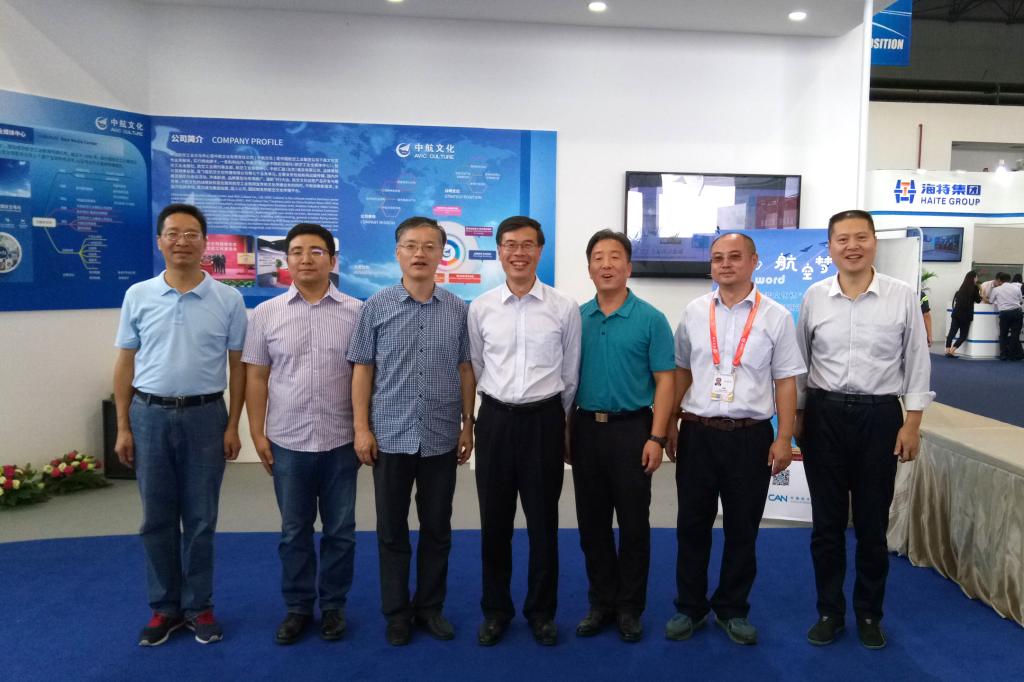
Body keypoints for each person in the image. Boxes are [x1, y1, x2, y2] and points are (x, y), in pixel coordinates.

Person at [795, 209, 933, 650]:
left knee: (872, 524)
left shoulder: (901, 295)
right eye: (842, 239)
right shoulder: (815, 296)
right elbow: (801, 363)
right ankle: (829, 612)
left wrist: (912, 422)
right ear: (830, 247)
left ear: (874, 242)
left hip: (880, 418)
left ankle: (870, 614)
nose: (851, 246)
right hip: (825, 415)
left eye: (860, 237)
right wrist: (797, 416)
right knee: (827, 524)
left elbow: (917, 360)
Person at [113, 203, 247, 646]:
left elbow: (239, 367)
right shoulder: (139, 295)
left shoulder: (228, 299)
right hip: (148, 416)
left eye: (191, 234)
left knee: (201, 518)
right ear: (160, 241)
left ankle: (199, 606)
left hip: (206, 417)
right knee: (156, 518)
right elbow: (125, 363)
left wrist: (234, 425)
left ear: (205, 243)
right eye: (173, 233)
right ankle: (164, 608)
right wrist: (123, 427)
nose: (182, 241)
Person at [664, 232, 805, 646]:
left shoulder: (776, 316)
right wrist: (671, 421)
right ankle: (690, 607)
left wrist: (784, 438)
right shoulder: (694, 312)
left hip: (750, 437)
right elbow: (681, 370)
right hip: (698, 433)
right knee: (692, 525)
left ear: (754, 261)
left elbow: (785, 381)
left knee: (743, 528)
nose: (725, 264)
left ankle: (732, 609)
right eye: (717, 258)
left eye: (734, 257)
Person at [347, 216, 475, 646]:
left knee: (438, 529)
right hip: (390, 435)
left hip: (441, 436)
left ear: (443, 254)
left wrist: (468, 425)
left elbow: (465, 369)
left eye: (429, 246)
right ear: (397, 252)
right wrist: (361, 428)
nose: (420, 253)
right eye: (410, 245)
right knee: (391, 530)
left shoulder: (458, 309)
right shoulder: (375, 306)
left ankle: (430, 608)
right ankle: (397, 613)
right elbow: (362, 369)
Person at [243, 223, 362, 645]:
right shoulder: (266, 313)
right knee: (294, 531)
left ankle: (333, 607)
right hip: (288, 440)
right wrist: (257, 433)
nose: (305, 259)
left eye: (316, 251)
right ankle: (297, 607)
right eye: (296, 251)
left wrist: (364, 430)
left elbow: (366, 376)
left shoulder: (357, 312)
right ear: (286, 260)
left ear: (333, 260)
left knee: (340, 531)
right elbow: (256, 377)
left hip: (341, 439)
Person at [468, 215, 581, 647]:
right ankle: (495, 610)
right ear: (499, 251)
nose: (519, 253)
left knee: (543, 523)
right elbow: (477, 365)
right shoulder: (481, 307)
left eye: (528, 245)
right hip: (495, 420)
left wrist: (561, 423)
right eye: (511, 245)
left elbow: (570, 373)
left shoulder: (563, 307)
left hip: (543, 421)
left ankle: (541, 612)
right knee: (494, 523)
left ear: (540, 250)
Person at [570, 230, 675, 643]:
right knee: (591, 524)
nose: (607, 264)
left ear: (629, 267)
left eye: (615, 257)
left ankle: (630, 607)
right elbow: (565, 381)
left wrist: (657, 437)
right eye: (598, 257)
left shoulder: (651, 319)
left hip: (634, 430)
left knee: (633, 524)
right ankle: (601, 603)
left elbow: (665, 382)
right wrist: (566, 433)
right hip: (585, 429)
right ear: (589, 268)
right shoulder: (575, 318)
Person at [945, 271, 981, 358]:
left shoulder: (962, 287)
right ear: (973, 278)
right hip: (966, 315)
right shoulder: (975, 288)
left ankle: (947, 351)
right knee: (963, 335)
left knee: (952, 333)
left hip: (956, 314)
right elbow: (978, 300)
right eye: (976, 277)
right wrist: (981, 291)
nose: (977, 279)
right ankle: (952, 351)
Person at [990, 272, 1024, 361]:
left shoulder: (996, 289)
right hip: (1017, 312)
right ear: (1009, 280)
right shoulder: (1017, 288)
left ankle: (1003, 355)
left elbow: (991, 301)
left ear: (999, 280)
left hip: (1005, 313)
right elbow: (1020, 300)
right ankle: (1012, 355)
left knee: (1003, 334)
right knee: (1015, 335)